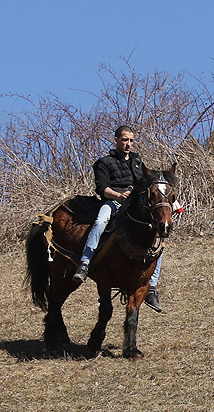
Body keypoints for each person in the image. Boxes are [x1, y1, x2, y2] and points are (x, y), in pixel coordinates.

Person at [72, 125, 164, 312]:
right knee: (100, 221)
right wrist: (117, 195)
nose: (128, 144)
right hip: (113, 202)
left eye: (131, 140)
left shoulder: (138, 162)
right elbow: (101, 188)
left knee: (157, 237)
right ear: (116, 141)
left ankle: (151, 288)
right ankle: (85, 262)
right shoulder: (104, 163)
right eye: (124, 140)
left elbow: (149, 185)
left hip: (134, 206)